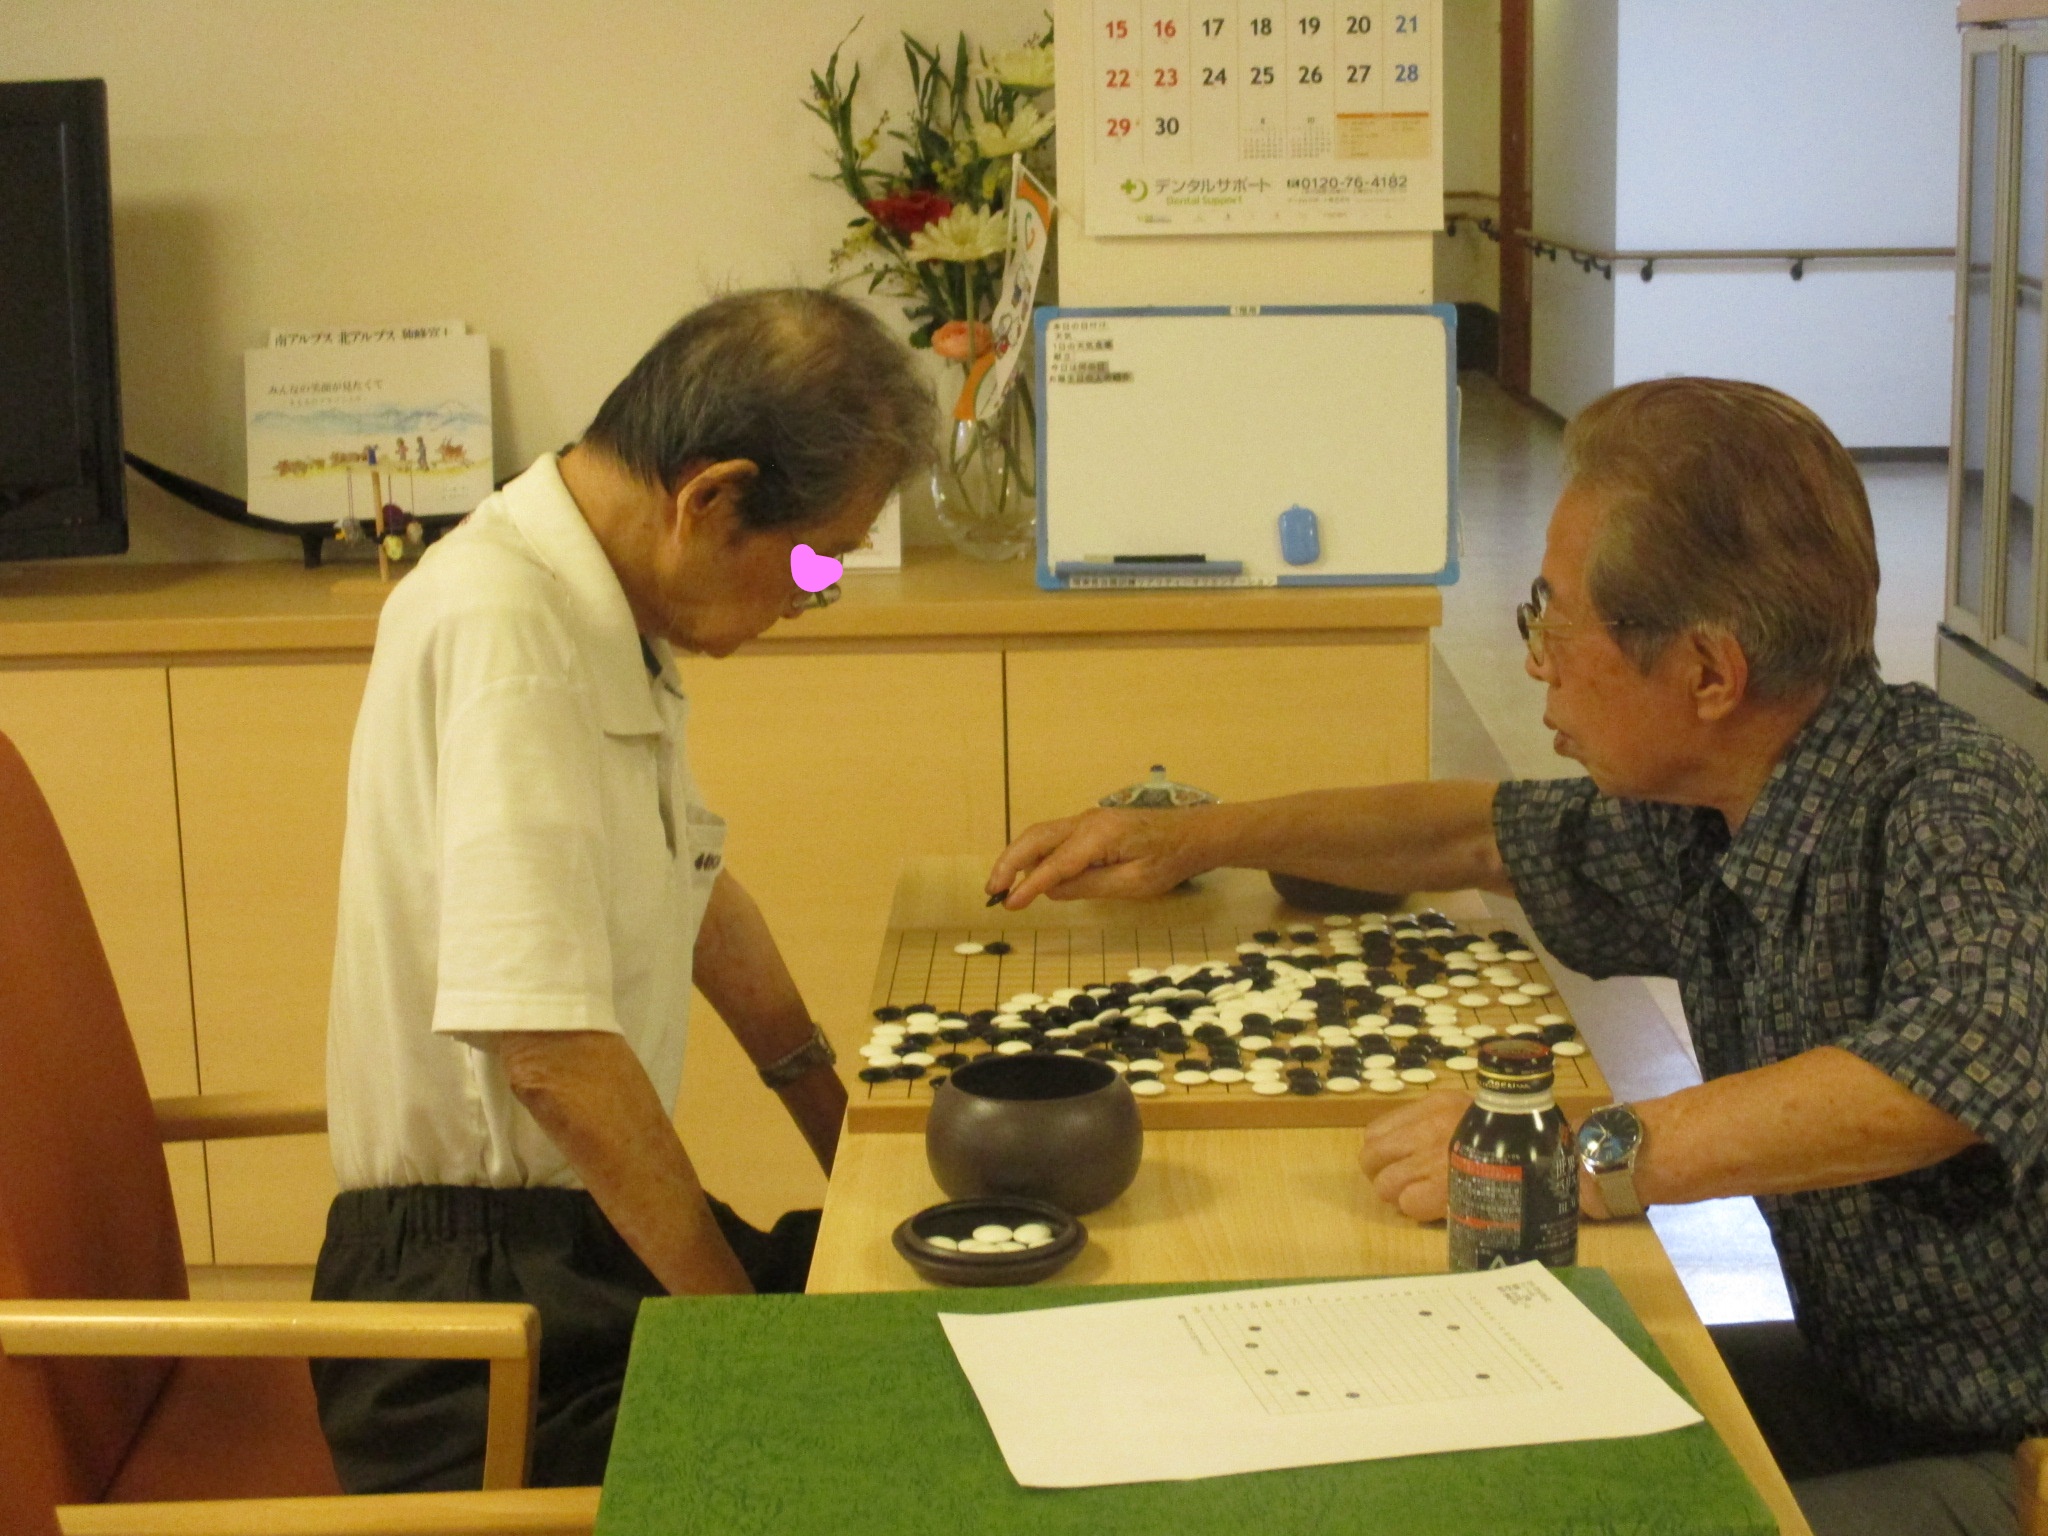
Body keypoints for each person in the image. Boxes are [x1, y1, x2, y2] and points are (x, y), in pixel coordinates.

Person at [985, 378, 2047, 1536]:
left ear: (1707, 672)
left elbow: (1946, 1076)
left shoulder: (1953, 801)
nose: (1535, 659)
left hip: (2011, 1450)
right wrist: (1196, 836)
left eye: (1554, 618)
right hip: (1874, 1390)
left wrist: (1575, 1153)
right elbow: (1472, 836)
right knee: (1468, 1457)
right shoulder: (1718, 801)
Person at [313, 288, 936, 1491]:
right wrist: (744, 1347)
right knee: (891, 1439)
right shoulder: (506, 631)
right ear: (711, 501)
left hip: (566, 1251)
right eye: (817, 556)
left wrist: (854, 1151)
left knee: (921, 1288)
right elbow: (549, 1055)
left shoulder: (593, 606)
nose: (814, 592)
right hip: (473, 1326)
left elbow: (697, 894)